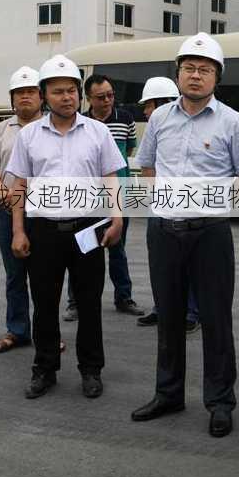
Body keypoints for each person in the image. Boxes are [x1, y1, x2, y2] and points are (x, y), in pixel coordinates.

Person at [130, 32, 239, 438]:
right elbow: (147, 167)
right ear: (178, 74)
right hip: (164, 231)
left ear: (217, 78)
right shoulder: (160, 119)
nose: (196, 76)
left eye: (205, 70)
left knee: (216, 319)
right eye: (189, 68)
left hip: (211, 233)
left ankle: (220, 401)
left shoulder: (233, 122)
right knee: (168, 316)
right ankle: (168, 393)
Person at [6, 55, 126, 400]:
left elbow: (110, 178)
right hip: (43, 231)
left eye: (72, 90)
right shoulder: (29, 136)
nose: (67, 97)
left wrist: (116, 218)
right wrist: (18, 230)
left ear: (79, 94)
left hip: (88, 229)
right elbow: (19, 187)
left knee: (89, 303)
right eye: (58, 91)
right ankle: (44, 369)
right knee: (44, 303)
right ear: (45, 95)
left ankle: (91, 370)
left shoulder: (98, 132)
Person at [62, 74, 145, 320]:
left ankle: (123, 297)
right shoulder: (80, 122)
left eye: (110, 95)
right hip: (87, 200)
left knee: (118, 250)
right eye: (101, 97)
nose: (108, 100)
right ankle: (75, 302)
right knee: (81, 250)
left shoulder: (126, 119)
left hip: (119, 195)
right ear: (88, 99)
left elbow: (128, 149)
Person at [0, 66, 45, 355]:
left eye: (30, 92)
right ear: (12, 99)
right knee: (14, 273)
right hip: (7, 210)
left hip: (44, 211)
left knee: (46, 274)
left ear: (41, 96)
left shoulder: (51, 127)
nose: (25, 97)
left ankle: (47, 332)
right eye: (19, 93)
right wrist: (1, 191)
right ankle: (18, 330)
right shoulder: (2, 129)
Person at [133, 77, 200, 333]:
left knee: (190, 264)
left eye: (148, 105)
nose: (146, 111)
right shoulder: (156, 128)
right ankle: (162, 308)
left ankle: (192, 311)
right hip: (160, 207)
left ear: (161, 103)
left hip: (190, 207)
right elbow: (146, 164)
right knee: (160, 263)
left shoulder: (189, 129)